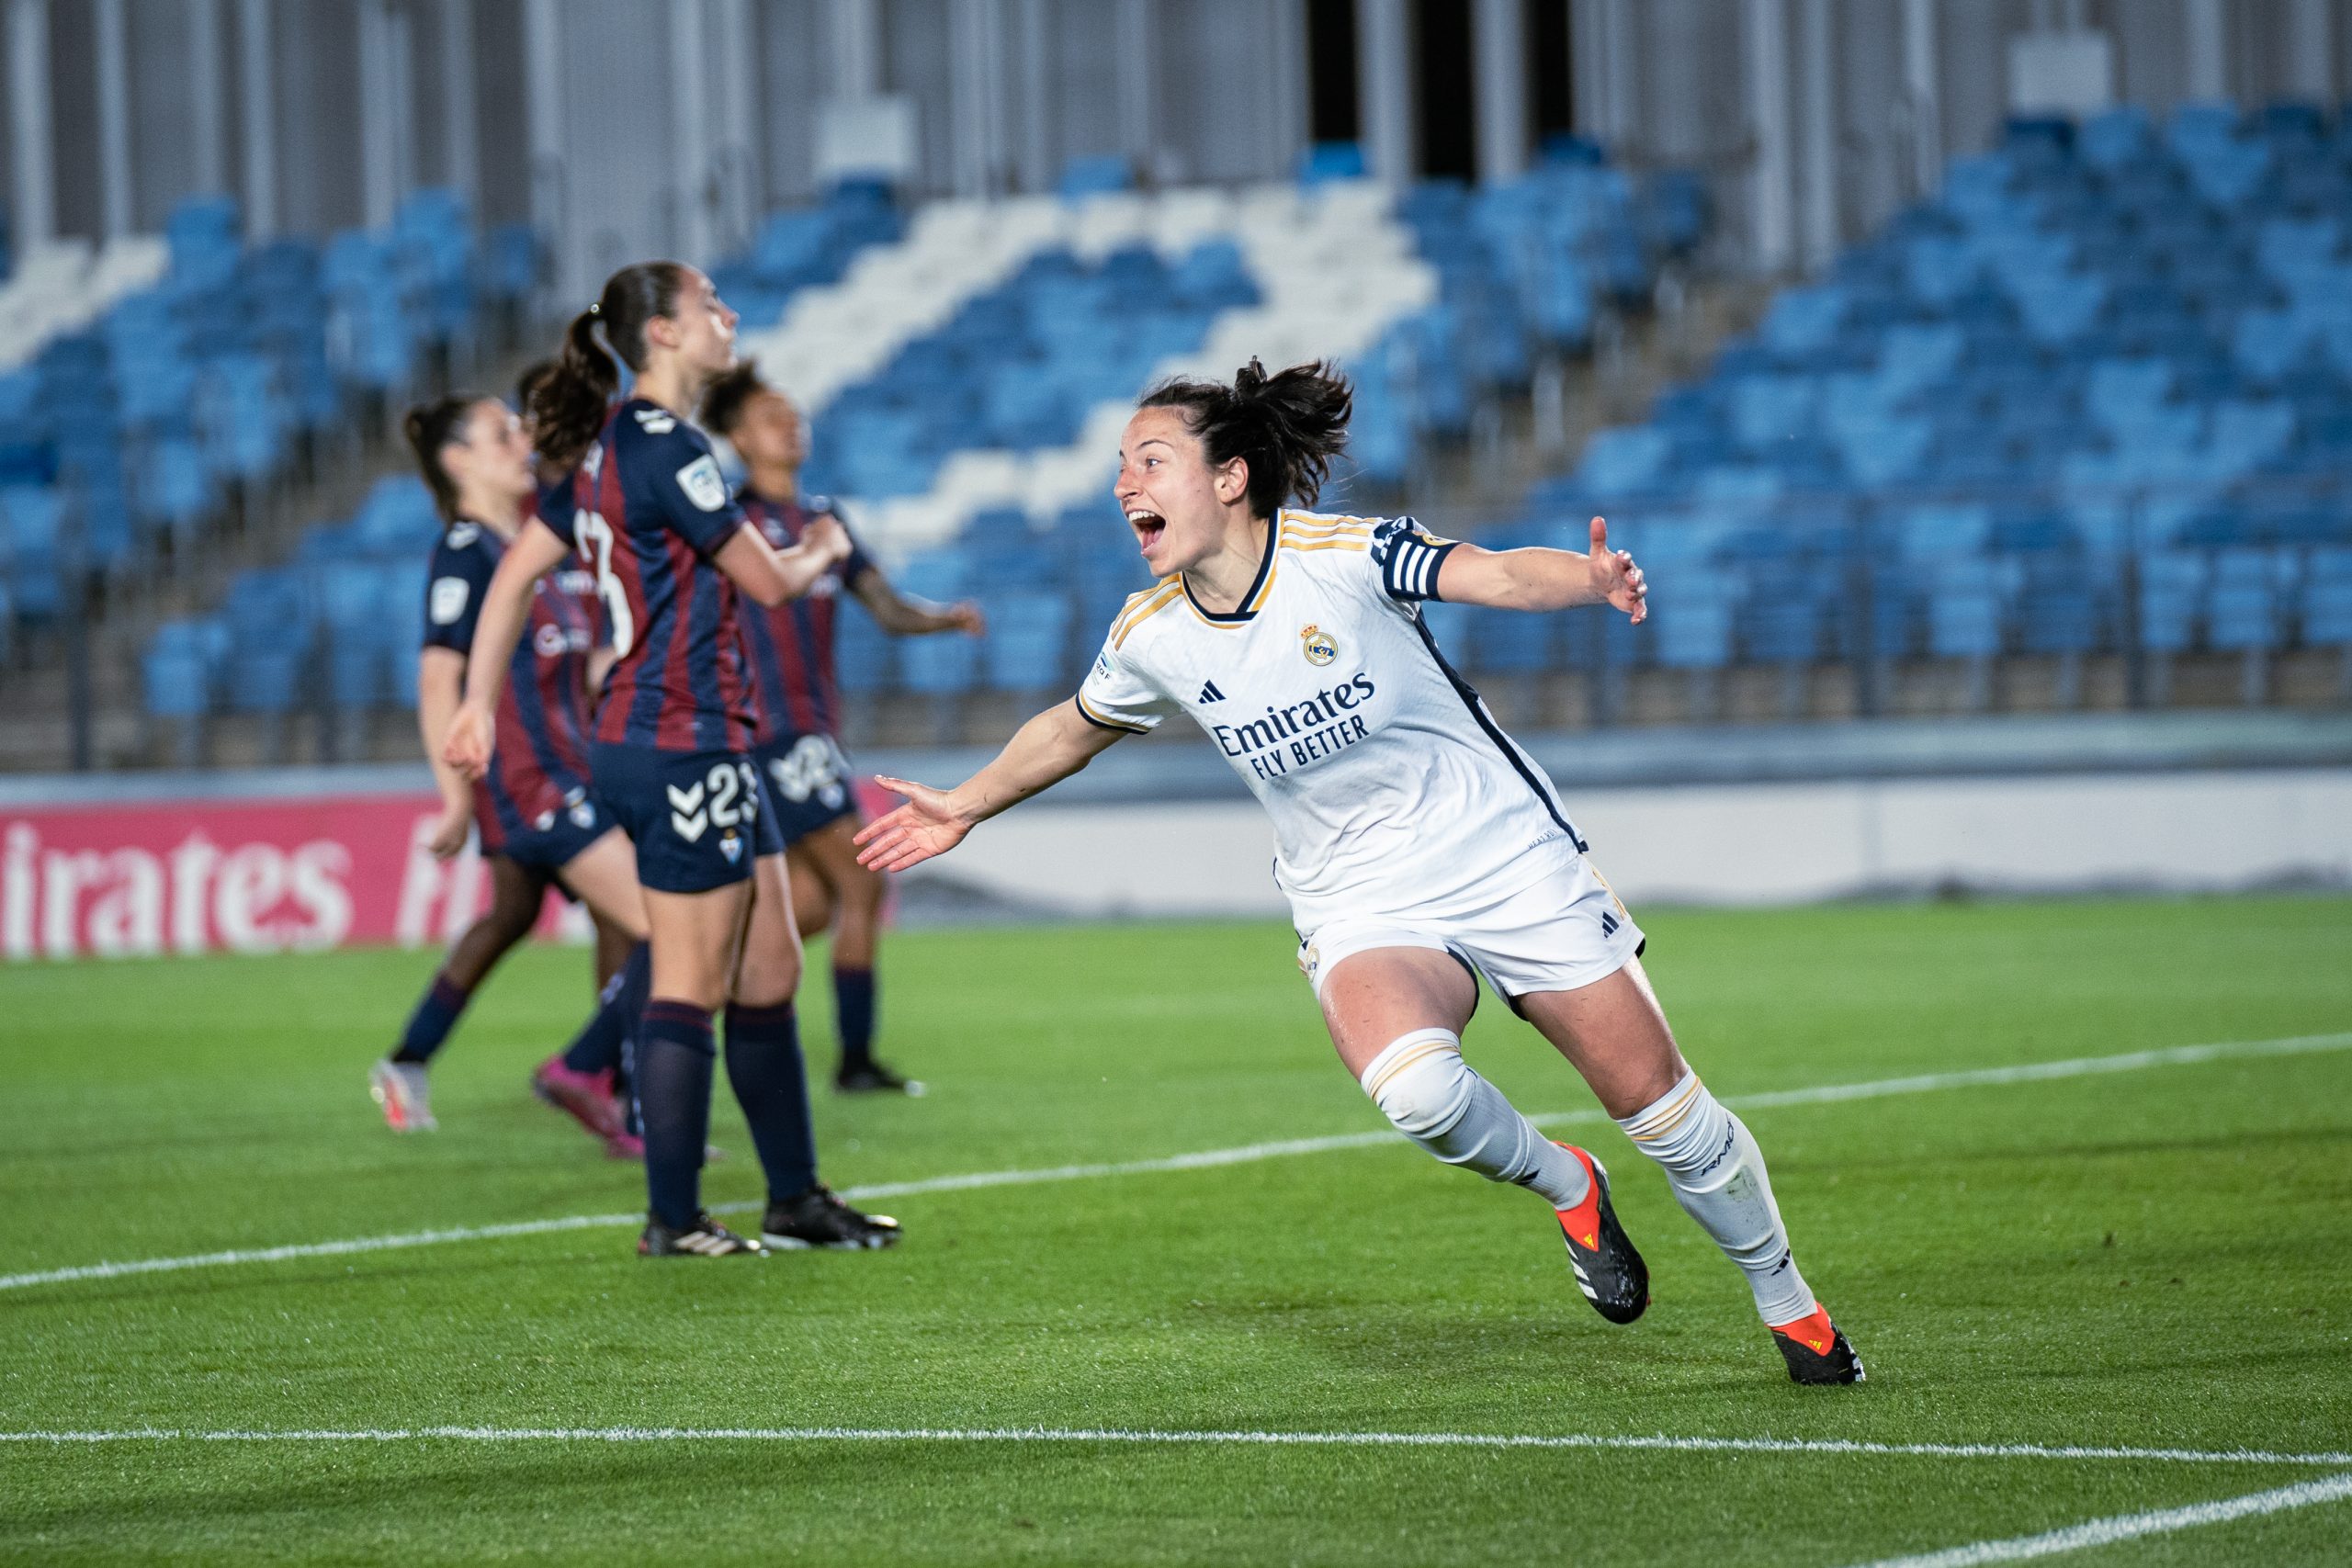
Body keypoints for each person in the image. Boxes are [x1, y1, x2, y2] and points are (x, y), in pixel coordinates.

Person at [856, 358, 1861, 1382]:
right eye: (1121, 466)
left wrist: (1588, 578)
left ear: (1231, 477)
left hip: (1504, 859)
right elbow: (1075, 727)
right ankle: (1569, 1185)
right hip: (1356, 895)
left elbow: (1499, 572)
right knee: (1419, 1094)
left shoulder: (1347, 556)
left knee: (1668, 1119)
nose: (1125, 486)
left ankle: (1793, 1311)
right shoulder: (1151, 636)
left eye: (1150, 462)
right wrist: (966, 803)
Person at [445, 261, 899, 1258]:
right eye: (708, 307)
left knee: (770, 966)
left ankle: (794, 1198)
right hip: (678, 741)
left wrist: (478, 700)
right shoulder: (663, 447)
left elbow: (516, 575)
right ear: (659, 333)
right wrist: (824, 551)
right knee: (689, 981)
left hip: (709, 741)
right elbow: (771, 583)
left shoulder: (603, 451)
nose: (726, 317)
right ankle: (673, 1218)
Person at [372, 392, 651, 1153]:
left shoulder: (532, 537)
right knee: (667, 923)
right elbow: (440, 682)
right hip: (530, 783)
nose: (520, 440)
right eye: (502, 433)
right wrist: (454, 798)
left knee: (514, 916)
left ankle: (408, 1060)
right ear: (457, 460)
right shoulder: (465, 551)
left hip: (572, 771)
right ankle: (594, 1075)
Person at [699, 361, 985, 1095]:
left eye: (793, 413)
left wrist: (944, 617)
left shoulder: (824, 521)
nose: (790, 424)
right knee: (861, 888)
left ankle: (679, 1007)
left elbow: (885, 607)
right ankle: (853, 1061)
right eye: (770, 415)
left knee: (814, 904)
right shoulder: (729, 523)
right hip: (774, 734)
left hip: (812, 734)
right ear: (736, 436)